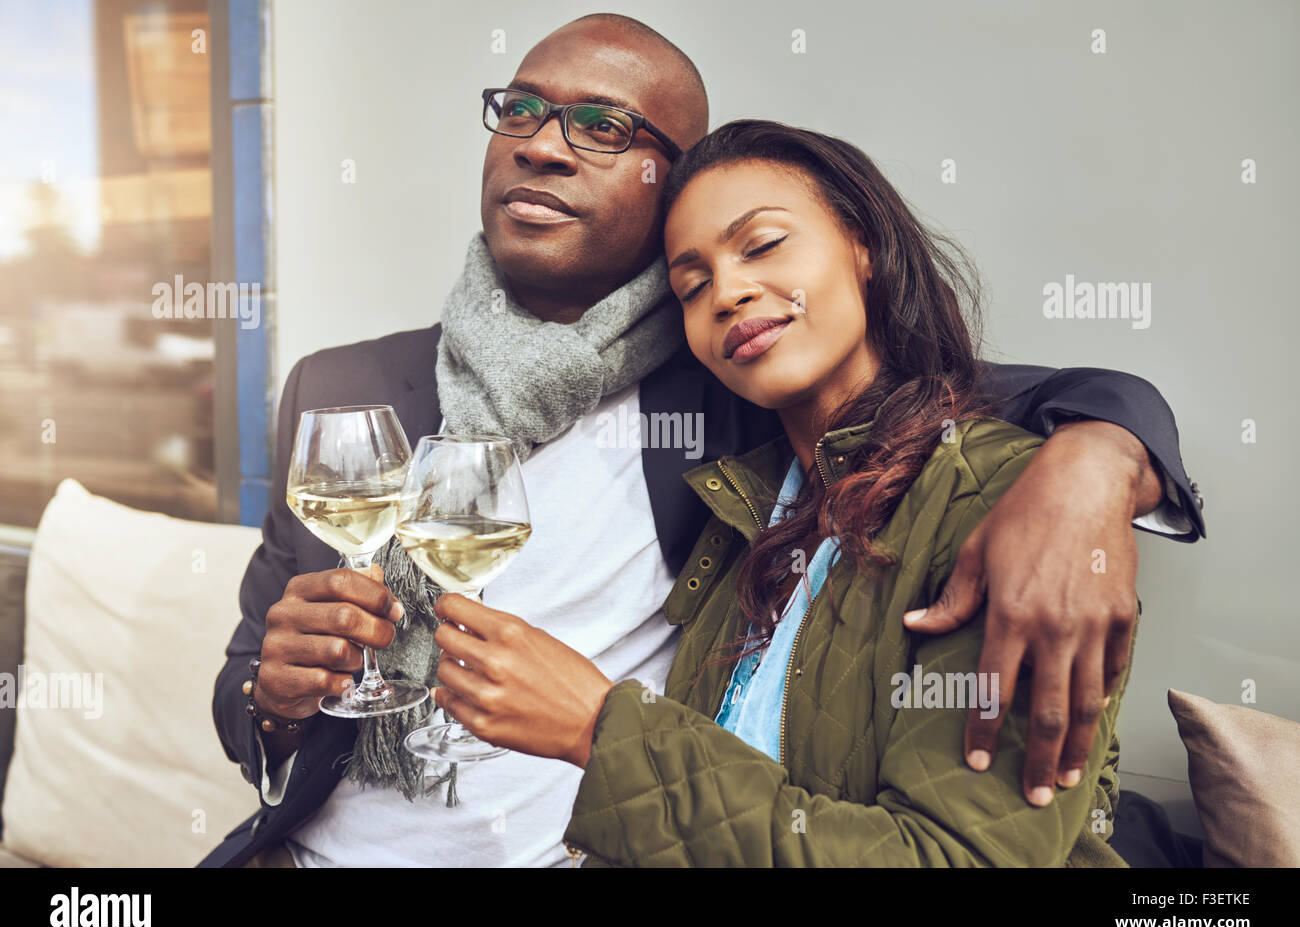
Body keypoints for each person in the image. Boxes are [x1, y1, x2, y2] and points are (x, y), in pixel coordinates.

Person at [201, 14, 1202, 869]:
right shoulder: (341, 391)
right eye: (520, 108)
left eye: (601, 127)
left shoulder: (726, 390)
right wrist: (275, 698)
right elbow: (244, 706)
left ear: (664, 188)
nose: (542, 145)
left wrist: (1097, 460)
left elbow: (971, 398)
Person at [427, 118, 1139, 866]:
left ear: (865, 246)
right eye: (692, 285)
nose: (727, 292)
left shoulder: (1017, 506)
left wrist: (599, 729)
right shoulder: (742, 511)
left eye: (763, 246)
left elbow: (951, 855)